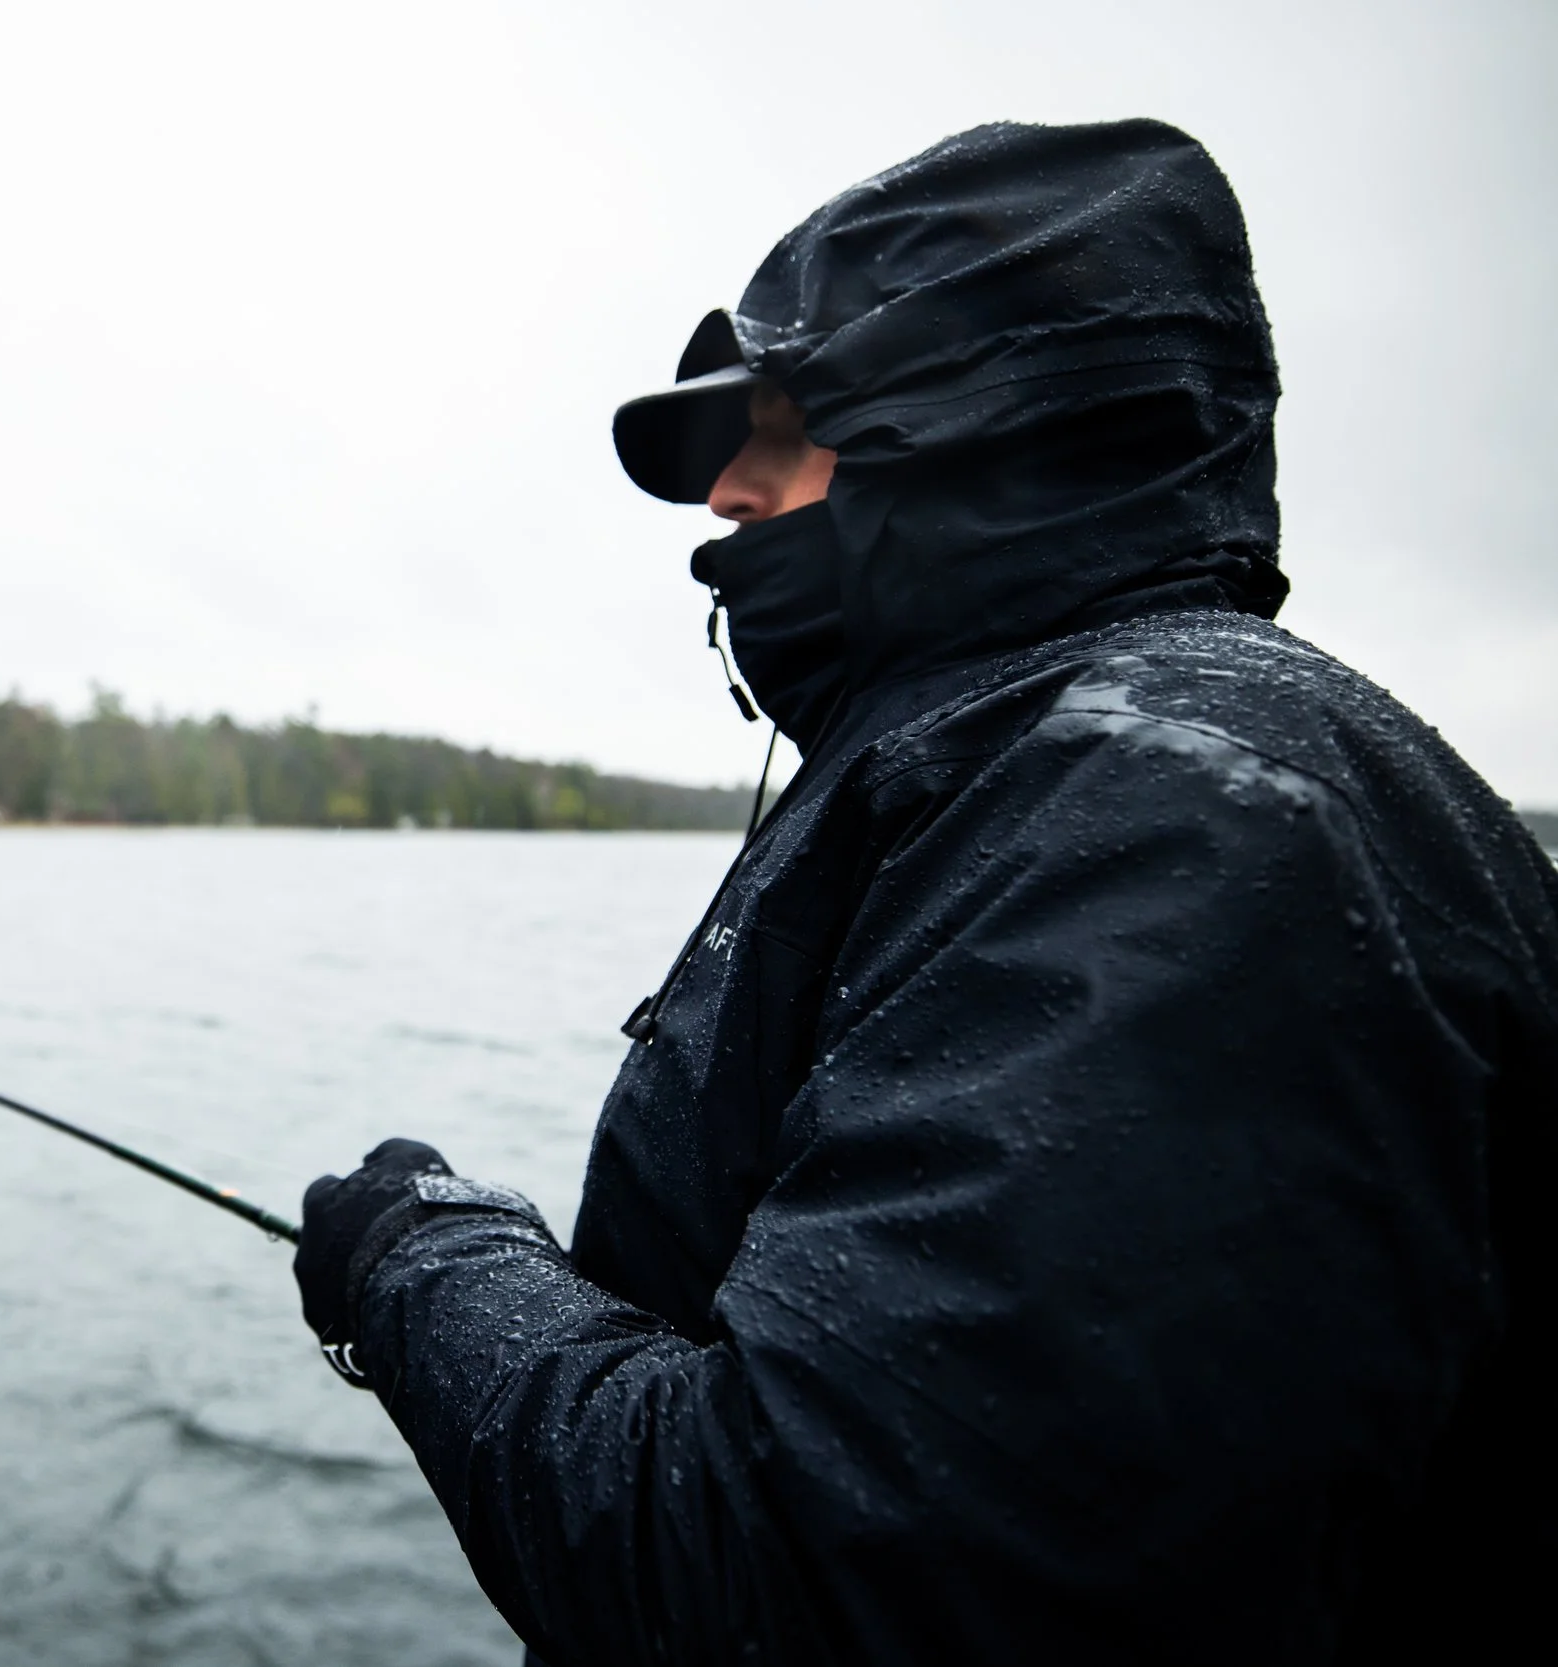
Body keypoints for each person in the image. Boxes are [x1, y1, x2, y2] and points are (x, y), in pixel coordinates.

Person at [293, 118, 1556, 1664]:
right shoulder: (1029, 764)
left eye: (767, 419)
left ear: (970, 411)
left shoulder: (1177, 810)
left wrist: (421, 1257)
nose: (723, 501)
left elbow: (807, 1573)